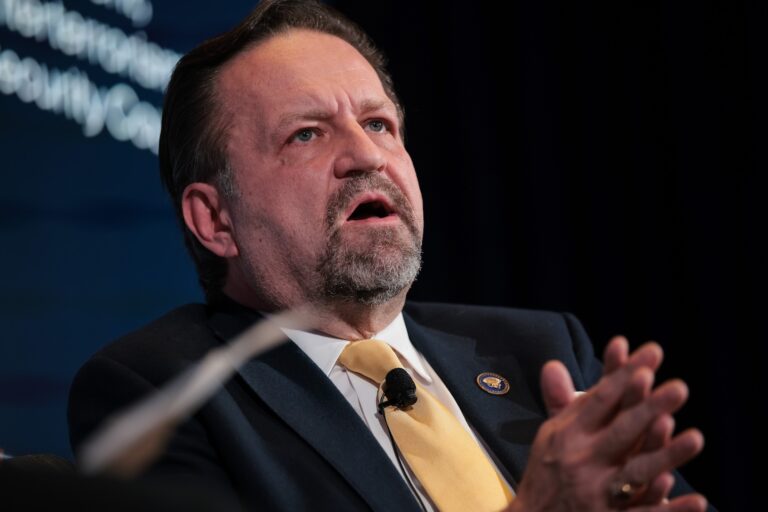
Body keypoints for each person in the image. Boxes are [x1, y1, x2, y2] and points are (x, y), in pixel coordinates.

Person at [67, 1, 713, 511]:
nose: (367, 156)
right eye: (307, 134)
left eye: (379, 124)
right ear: (215, 219)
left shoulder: (539, 349)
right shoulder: (158, 394)